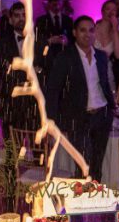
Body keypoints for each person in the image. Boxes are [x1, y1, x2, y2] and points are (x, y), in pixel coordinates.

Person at [45, 16, 115, 181]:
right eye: (83, 30)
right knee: (83, 164)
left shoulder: (101, 56)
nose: (87, 34)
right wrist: (52, 121)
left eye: (91, 30)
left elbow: (104, 84)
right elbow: (53, 91)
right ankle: (80, 202)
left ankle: (96, 202)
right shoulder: (65, 57)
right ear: (75, 33)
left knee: (97, 165)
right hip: (78, 118)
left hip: (102, 115)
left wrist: (111, 108)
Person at [0, 2, 36, 134]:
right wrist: (32, 69)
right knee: (11, 147)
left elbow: (46, 68)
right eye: (17, 15)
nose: (21, 18)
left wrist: (17, 67)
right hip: (11, 97)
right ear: (10, 20)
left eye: (24, 15)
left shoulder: (39, 41)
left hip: (34, 98)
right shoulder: (2, 44)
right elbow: (5, 71)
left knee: (38, 148)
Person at [34, 0, 73, 83]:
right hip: (47, 60)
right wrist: (49, 41)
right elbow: (36, 41)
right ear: (49, 4)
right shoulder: (41, 21)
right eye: (54, 4)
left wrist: (66, 41)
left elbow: (74, 40)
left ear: (62, 3)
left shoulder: (68, 20)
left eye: (59, 4)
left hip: (65, 60)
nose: (57, 7)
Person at [94, 0, 119, 65]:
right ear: (102, 11)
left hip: (106, 68)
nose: (111, 12)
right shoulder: (93, 29)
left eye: (114, 10)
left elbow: (118, 55)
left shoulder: (115, 33)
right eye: (108, 9)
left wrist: (115, 29)